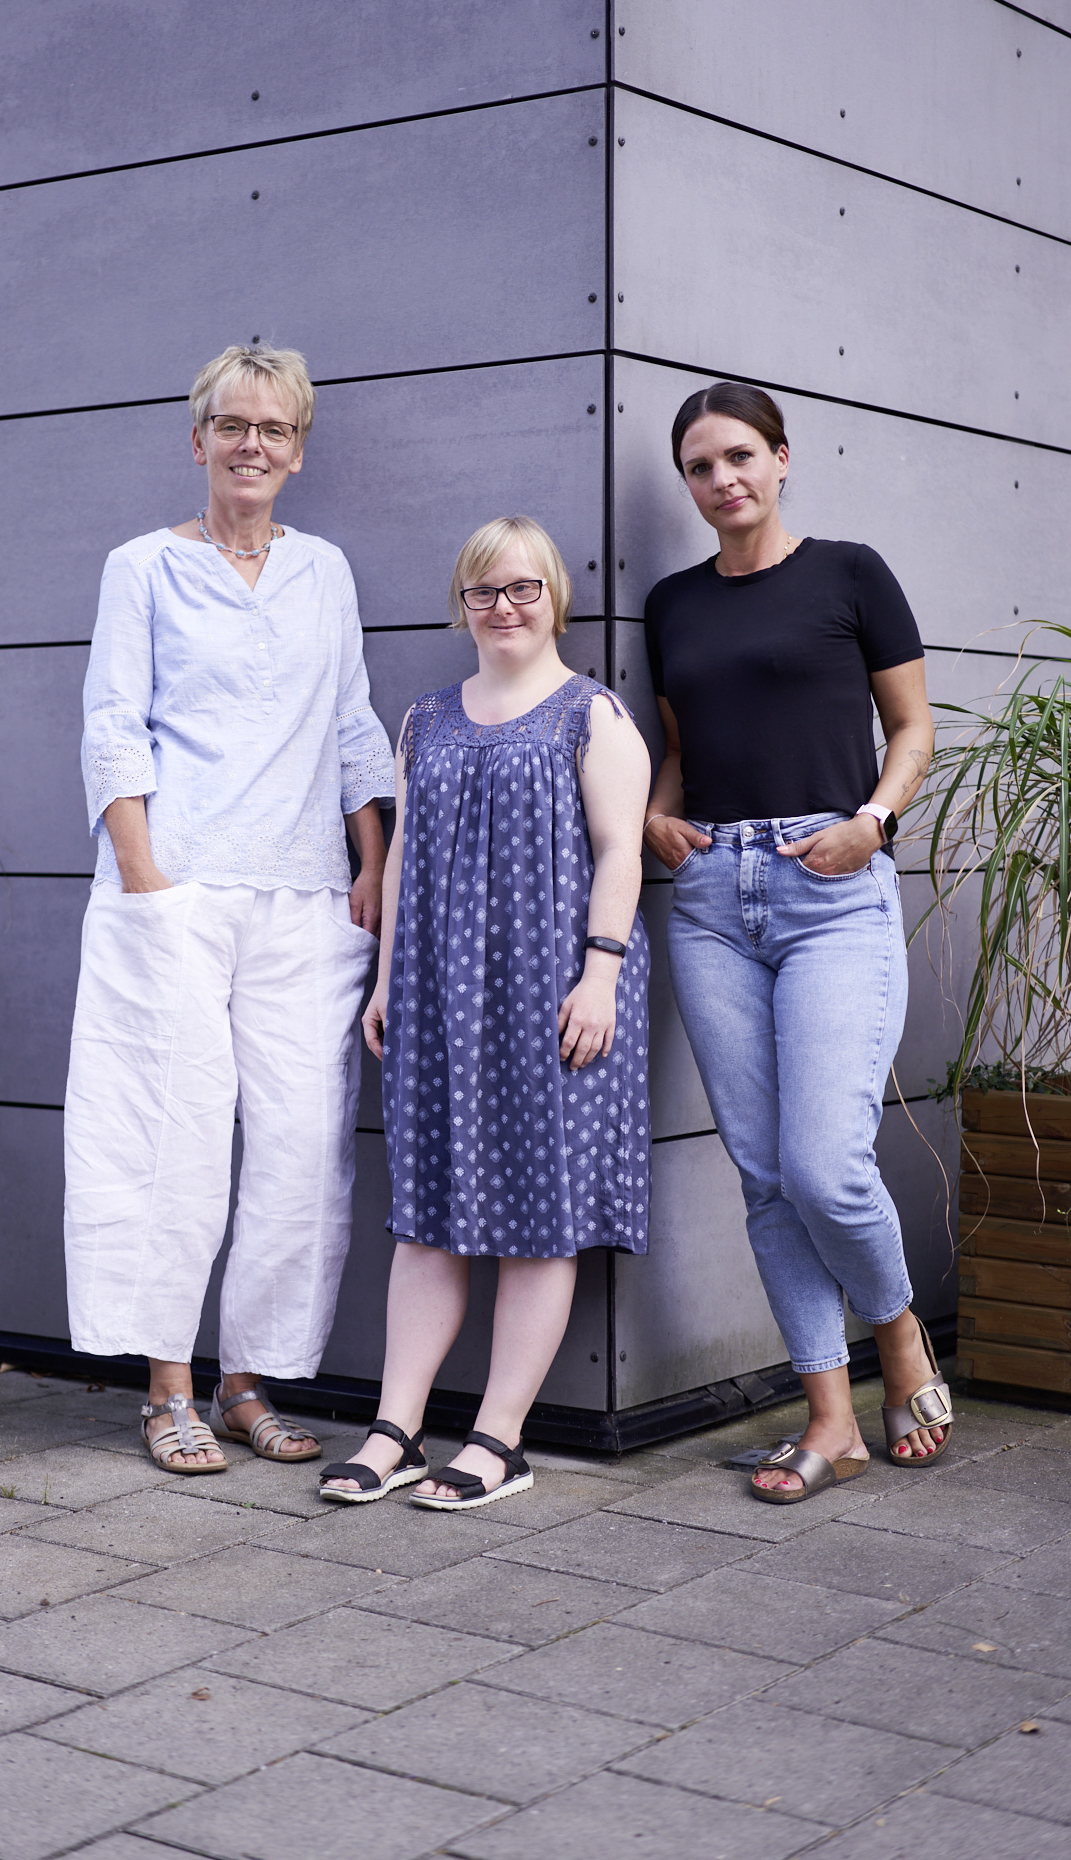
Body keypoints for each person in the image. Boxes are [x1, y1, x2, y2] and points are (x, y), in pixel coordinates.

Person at [63, 343, 393, 1474]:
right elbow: (114, 720)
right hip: (179, 890)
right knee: (173, 1136)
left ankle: (248, 1379)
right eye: (233, 424)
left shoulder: (326, 571)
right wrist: (146, 875)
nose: (254, 444)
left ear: (300, 450)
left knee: (301, 1146)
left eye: (276, 429)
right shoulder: (142, 567)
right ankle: (167, 1388)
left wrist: (371, 863)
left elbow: (352, 722)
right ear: (195, 437)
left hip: (308, 897)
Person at [642, 382, 951, 1504]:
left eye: (738, 457)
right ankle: (831, 1416)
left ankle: (898, 1327)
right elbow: (685, 744)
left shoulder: (851, 573)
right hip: (714, 891)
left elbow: (912, 725)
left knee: (825, 1163)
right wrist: (653, 813)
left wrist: (872, 823)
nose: (720, 480)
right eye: (698, 467)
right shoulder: (674, 603)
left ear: (782, 458)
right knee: (768, 1177)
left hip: (831, 885)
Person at [319, 516, 651, 1509]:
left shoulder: (594, 716)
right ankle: (395, 1428)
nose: (503, 608)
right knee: (428, 1215)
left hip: (555, 993)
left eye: (523, 589)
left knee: (538, 1220)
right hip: (436, 994)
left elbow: (622, 852)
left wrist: (600, 976)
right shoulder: (422, 719)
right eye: (483, 591)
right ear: (461, 603)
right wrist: (385, 982)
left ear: (555, 598)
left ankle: (499, 1439)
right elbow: (407, 854)